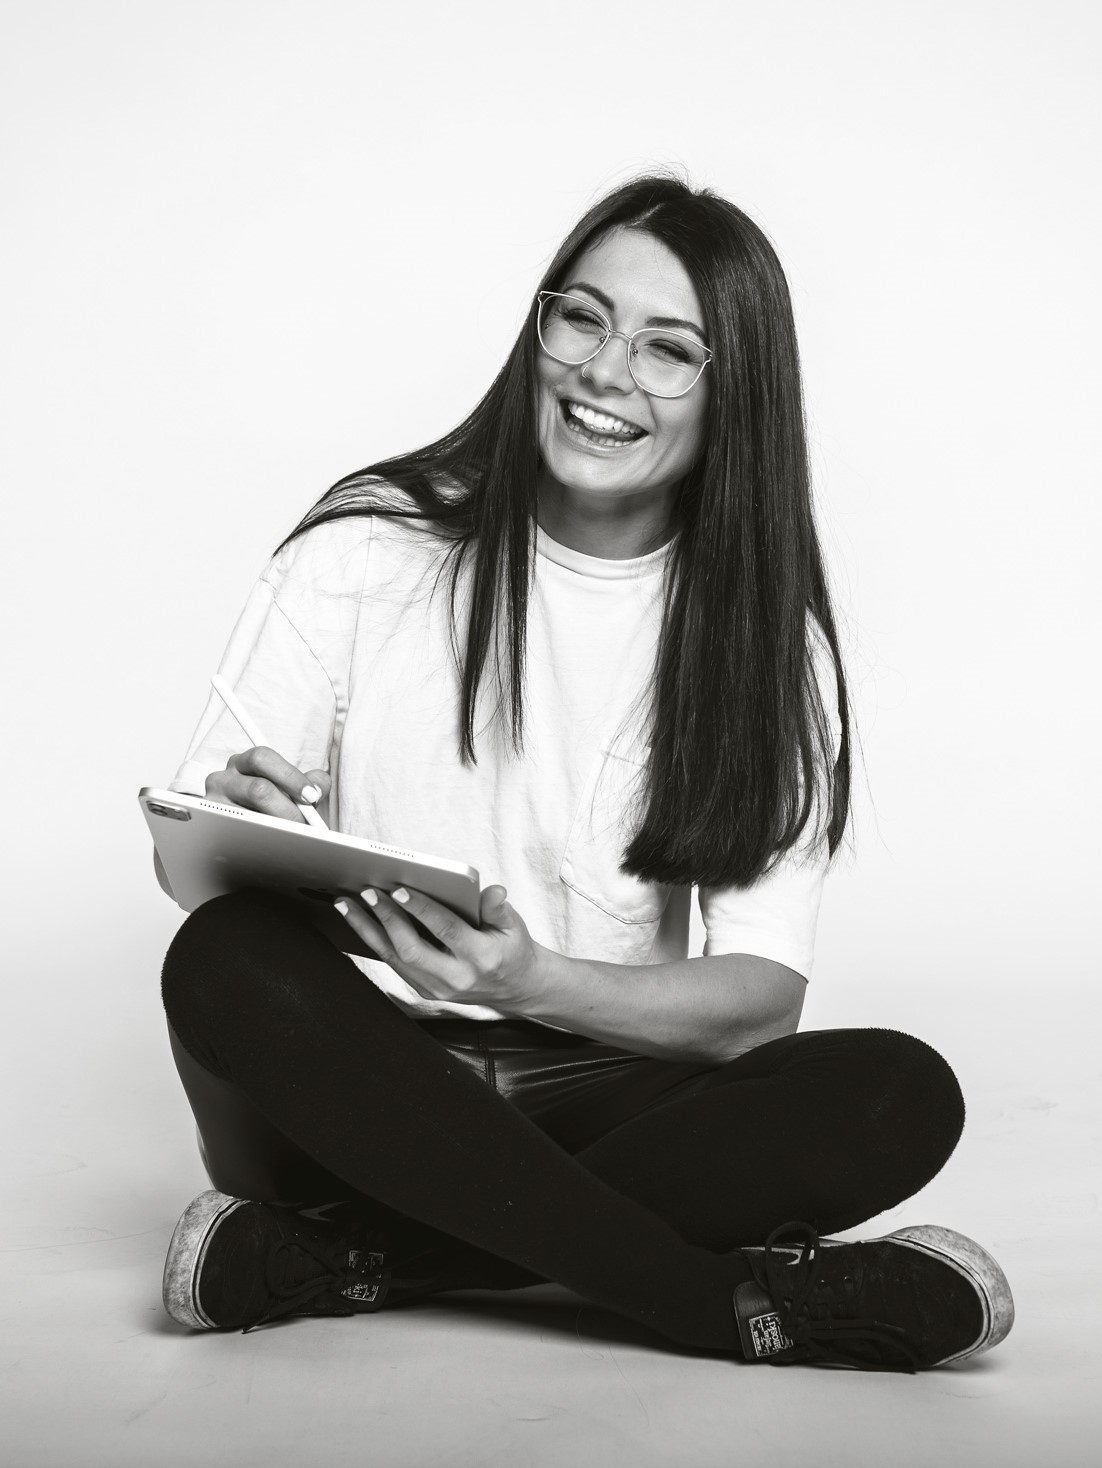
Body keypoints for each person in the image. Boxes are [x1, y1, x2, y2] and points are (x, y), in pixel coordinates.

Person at [157, 175, 1013, 1371]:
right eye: (583, 318)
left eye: (668, 349)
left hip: (606, 1092)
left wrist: (535, 978)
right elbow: (186, 866)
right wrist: (236, 826)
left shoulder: (767, 644)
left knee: (896, 1091)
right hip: (360, 1084)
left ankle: (356, 1256)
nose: (605, 371)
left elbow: (758, 1003)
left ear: (733, 397)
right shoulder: (366, 547)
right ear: (541, 328)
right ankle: (708, 1303)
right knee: (222, 956)